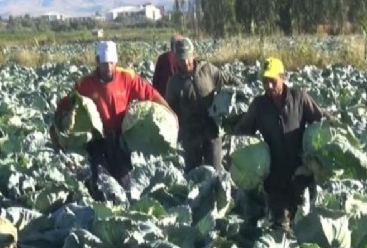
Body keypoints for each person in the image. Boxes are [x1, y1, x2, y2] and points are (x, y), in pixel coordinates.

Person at [50, 40, 175, 198]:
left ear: (115, 61)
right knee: (101, 183)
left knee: (124, 183)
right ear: (97, 61)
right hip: (97, 141)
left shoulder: (128, 78)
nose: (108, 68)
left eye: (111, 63)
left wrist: (170, 113)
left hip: (121, 139)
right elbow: (66, 103)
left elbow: (151, 94)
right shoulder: (85, 83)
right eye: (104, 64)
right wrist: (55, 128)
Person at [229, 57, 326, 233]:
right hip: (274, 176)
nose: (269, 87)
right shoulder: (259, 105)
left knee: (303, 225)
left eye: (272, 81)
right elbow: (243, 131)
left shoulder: (299, 98)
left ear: (283, 77)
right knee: (280, 226)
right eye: (265, 82)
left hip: (301, 173)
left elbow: (320, 122)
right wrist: (237, 153)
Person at [165, 37, 242, 173]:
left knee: (215, 173)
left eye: (188, 58)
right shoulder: (174, 83)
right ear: (176, 59)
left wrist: (241, 90)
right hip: (191, 135)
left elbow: (227, 79)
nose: (186, 62)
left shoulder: (207, 70)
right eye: (182, 59)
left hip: (212, 131)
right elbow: (169, 110)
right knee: (193, 176)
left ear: (193, 54)